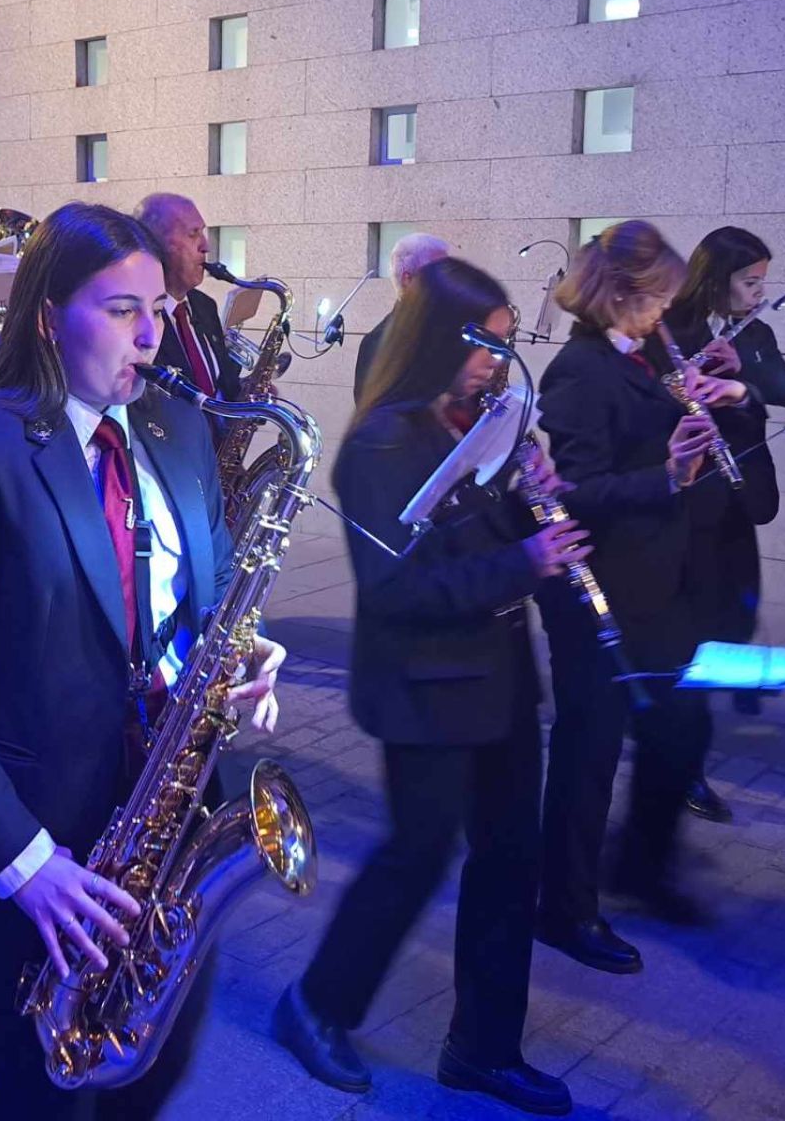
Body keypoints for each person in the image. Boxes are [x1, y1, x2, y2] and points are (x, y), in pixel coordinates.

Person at [0, 201, 283, 1118]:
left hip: (164, 824)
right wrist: (28, 865)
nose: (151, 337)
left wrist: (249, 652)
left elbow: (209, 601)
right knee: (45, 1090)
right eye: (121, 311)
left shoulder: (179, 432)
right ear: (49, 316)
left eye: (157, 311)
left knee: (150, 1069)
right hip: (38, 839)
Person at [273, 258, 582, 1116]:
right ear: (444, 335)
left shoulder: (481, 424)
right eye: (489, 341)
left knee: (509, 862)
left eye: (507, 342)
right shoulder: (382, 445)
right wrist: (525, 558)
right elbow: (396, 588)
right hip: (424, 685)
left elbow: (493, 531)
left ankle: (483, 1049)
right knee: (417, 855)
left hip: (502, 678)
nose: (499, 360)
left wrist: (538, 505)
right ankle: (316, 1006)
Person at [534, 222, 740, 969]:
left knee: (678, 729)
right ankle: (564, 908)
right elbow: (578, 491)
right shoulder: (577, 372)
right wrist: (670, 476)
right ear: (618, 294)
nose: (665, 315)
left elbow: (665, 413)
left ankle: (641, 868)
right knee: (587, 753)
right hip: (601, 590)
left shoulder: (647, 353)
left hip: (659, 581)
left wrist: (707, 384)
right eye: (656, 300)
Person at [664, 226, 785, 823]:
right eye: (749, 282)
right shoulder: (674, 329)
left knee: (733, 617)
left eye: (763, 282)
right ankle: (678, 766)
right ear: (717, 279)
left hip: (740, 497)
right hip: (690, 503)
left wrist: (743, 378)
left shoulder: (757, 333)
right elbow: (654, 406)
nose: (757, 293)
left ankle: (684, 739)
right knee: (688, 634)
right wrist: (693, 383)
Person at [134, 193, 242, 401]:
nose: (206, 247)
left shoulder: (204, 305)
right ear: (155, 243)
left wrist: (248, 398)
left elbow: (222, 382)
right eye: (193, 234)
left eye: (203, 232)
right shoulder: (138, 320)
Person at [352, 231, 450, 400]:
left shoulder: (447, 329)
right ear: (408, 279)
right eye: (440, 274)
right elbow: (373, 418)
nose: (450, 282)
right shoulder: (377, 343)